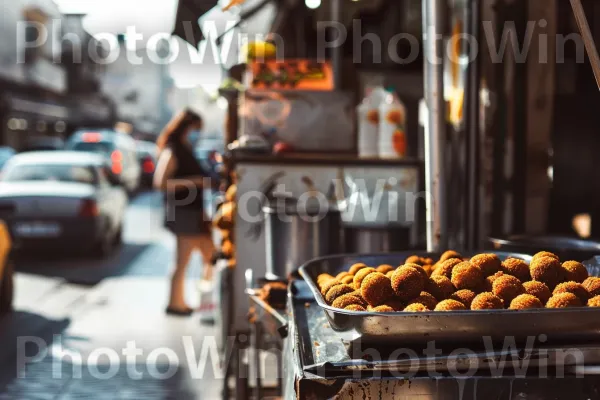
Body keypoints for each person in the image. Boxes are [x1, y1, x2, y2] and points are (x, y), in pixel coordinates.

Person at [154, 109, 216, 316]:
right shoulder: (173, 150)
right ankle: (181, 303)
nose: (197, 133)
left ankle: (179, 302)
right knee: (199, 258)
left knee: (201, 257)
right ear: (186, 127)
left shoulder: (186, 148)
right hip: (183, 212)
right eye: (196, 129)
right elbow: (161, 183)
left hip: (192, 211)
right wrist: (196, 182)